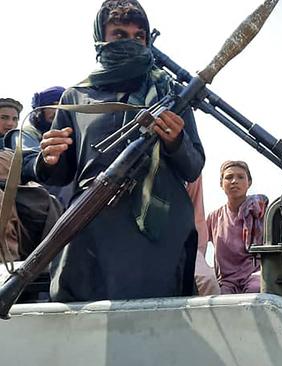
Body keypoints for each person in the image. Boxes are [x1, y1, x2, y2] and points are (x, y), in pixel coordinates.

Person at [22, 0, 205, 301]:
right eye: (120, 34)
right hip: (91, 226)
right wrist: (49, 158)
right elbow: (61, 172)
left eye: (139, 36)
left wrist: (175, 141)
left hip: (159, 234)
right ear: (101, 39)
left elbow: (193, 166)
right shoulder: (77, 95)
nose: (131, 42)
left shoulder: (170, 93)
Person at [206, 160, 267, 294]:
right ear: (221, 184)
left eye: (240, 177)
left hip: (256, 273)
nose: (234, 181)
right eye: (229, 177)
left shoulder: (260, 210)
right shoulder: (214, 218)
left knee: (255, 290)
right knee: (217, 296)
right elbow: (199, 245)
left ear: (249, 182)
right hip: (227, 280)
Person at [187, 175, 220, 296]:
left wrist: (198, 253)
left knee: (206, 280)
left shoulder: (190, 163)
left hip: (181, 240)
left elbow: (197, 215)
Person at [5, 86, 64, 151]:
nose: (57, 111)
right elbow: (29, 157)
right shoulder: (25, 134)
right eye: (53, 106)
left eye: (62, 107)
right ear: (40, 111)